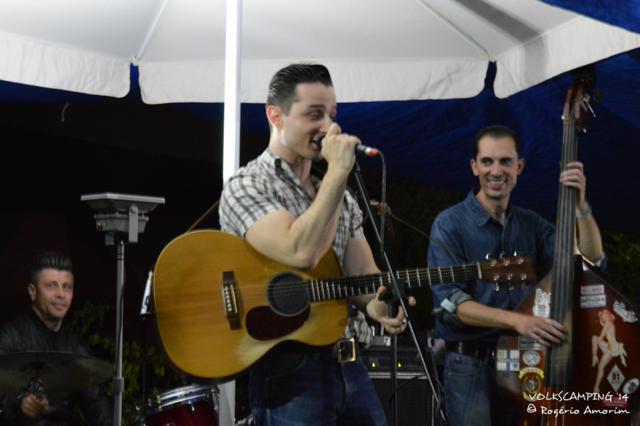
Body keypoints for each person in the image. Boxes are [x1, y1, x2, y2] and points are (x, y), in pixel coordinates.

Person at [219, 63, 410, 425]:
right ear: (276, 116)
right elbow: (300, 252)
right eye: (314, 114)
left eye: (332, 114)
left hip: (350, 364)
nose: (329, 127)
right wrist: (338, 173)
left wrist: (378, 305)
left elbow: (362, 273)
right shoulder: (247, 186)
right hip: (288, 373)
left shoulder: (340, 194)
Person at [427, 125, 605, 426]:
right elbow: (452, 304)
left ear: (519, 166)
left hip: (525, 363)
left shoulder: (531, 224)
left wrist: (580, 205)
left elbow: (590, 262)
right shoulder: (449, 224)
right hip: (470, 364)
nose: (496, 171)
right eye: (487, 161)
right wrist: (520, 321)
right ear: (474, 166)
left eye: (505, 161)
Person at [0, 251, 112, 426]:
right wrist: (19, 405)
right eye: (52, 285)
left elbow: (95, 402)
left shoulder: (75, 347)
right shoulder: (10, 336)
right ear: (32, 291)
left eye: (67, 286)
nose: (61, 294)